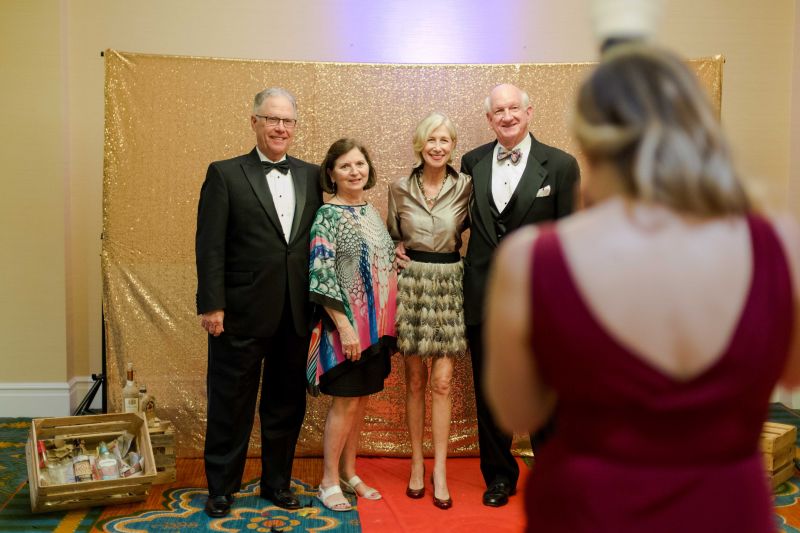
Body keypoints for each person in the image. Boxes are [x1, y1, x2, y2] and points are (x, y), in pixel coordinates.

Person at [485, 44, 800, 532]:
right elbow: (791, 373)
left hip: (590, 510)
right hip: (724, 510)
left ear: (588, 142)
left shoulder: (533, 258)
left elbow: (517, 407)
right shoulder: (779, 242)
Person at [195, 87, 322, 518]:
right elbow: (209, 245)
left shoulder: (311, 175)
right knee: (230, 402)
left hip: (295, 311)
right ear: (254, 121)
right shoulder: (225, 173)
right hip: (239, 313)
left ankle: (277, 484)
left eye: (287, 121)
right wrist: (211, 304)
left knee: (286, 404)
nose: (280, 128)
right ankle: (222, 488)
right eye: (272, 119)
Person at [460, 83, 581, 507]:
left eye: (514, 108)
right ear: (489, 119)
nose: (507, 116)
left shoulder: (562, 166)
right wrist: (409, 244)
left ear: (529, 113)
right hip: (484, 297)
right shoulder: (470, 162)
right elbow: (451, 221)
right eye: (498, 111)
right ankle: (498, 477)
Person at [387, 112, 472, 510]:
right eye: (432, 140)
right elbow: (390, 238)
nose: (438, 147)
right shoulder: (399, 188)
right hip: (413, 285)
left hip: (450, 282)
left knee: (442, 383)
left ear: (453, 146)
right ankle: (416, 464)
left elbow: (484, 231)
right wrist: (395, 252)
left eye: (446, 140)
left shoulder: (467, 187)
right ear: (420, 145)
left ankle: (440, 468)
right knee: (415, 382)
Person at [308, 138, 398, 512]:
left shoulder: (372, 211)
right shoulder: (327, 216)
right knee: (344, 403)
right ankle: (328, 481)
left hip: (375, 329)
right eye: (345, 166)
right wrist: (345, 328)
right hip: (344, 330)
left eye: (360, 164)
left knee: (359, 403)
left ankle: (349, 472)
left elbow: (379, 258)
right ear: (332, 173)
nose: (354, 171)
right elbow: (321, 273)